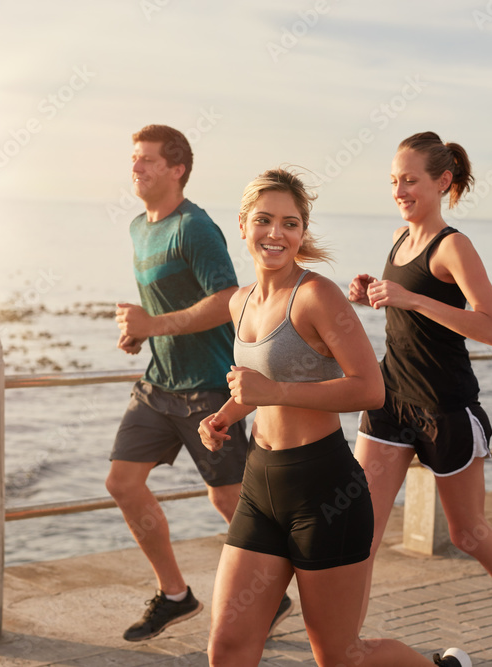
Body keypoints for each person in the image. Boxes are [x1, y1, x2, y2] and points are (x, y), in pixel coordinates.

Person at [198, 168, 470, 667]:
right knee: (228, 646)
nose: (275, 233)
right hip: (260, 484)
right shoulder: (240, 302)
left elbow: (371, 388)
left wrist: (272, 390)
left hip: (324, 490)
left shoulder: (316, 295)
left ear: (302, 232)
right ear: (242, 226)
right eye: (263, 220)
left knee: (340, 656)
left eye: (290, 223)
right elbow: (254, 387)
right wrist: (224, 416)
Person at [349, 131, 492, 667]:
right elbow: (408, 317)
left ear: (442, 182)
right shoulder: (400, 239)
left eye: (410, 180)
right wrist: (375, 291)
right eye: (394, 180)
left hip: (446, 409)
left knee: (468, 533)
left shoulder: (453, 246)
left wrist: (410, 297)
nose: (400, 189)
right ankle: (344, 645)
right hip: (389, 402)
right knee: (360, 535)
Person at [106, 125, 293, 642]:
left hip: (208, 387)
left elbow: (227, 299)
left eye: (146, 160)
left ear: (177, 169)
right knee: (122, 483)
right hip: (158, 384)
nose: (136, 168)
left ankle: (274, 594)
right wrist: (138, 333)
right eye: (134, 159)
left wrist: (155, 324)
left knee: (231, 502)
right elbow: (164, 305)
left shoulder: (196, 228)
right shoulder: (138, 228)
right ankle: (175, 596)